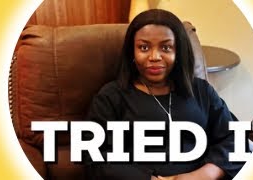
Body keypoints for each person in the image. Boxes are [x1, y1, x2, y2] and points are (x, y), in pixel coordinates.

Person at [85, 9, 244, 180]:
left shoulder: (201, 91)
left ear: (178, 52)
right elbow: (93, 157)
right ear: (132, 52)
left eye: (166, 47)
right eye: (144, 47)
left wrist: (204, 174)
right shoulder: (111, 97)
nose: (154, 56)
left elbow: (234, 138)